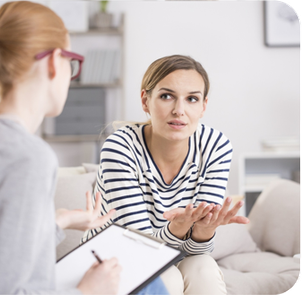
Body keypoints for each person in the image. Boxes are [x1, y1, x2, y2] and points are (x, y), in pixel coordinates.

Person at [0, 1, 123, 294]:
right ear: (54, 61)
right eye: (72, 62)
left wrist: (60, 219)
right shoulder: (26, 156)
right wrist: (89, 292)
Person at [82, 54, 250, 294]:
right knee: (167, 278)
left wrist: (204, 231)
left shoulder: (215, 145)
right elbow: (140, 248)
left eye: (192, 99)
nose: (179, 110)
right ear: (145, 100)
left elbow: (198, 251)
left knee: (203, 268)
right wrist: (178, 229)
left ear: (203, 106)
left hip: (169, 252)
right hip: (111, 258)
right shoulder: (120, 147)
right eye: (166, 96)